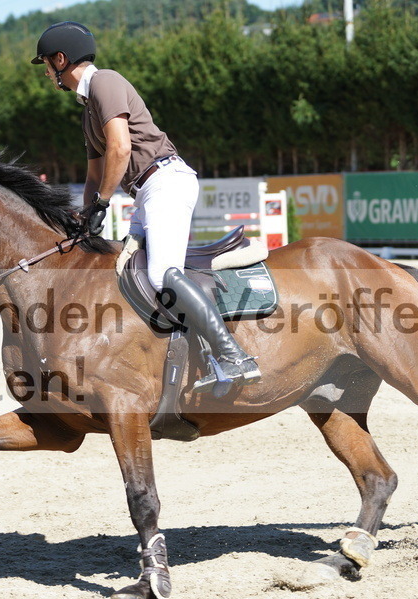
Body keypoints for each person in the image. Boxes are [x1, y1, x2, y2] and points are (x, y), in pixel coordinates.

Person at [32, 21, 260, 393]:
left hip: (164, 181)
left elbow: (120, 150)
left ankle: (233, 354)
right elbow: (94, 173)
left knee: (161, 274)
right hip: (145, 191)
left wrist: (103, 203)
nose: (45, 72)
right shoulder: (87, 108)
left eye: (46, 63)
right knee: (125, 269)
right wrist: (82, 216)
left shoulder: (105, 81)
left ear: (61, 59)